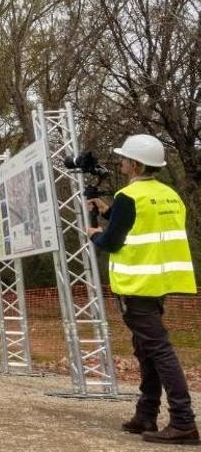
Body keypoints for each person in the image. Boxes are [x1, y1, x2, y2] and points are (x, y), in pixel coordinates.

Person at [87, 134, 198, 445]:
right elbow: (145, 226)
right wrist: (109, 212)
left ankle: (183, 421)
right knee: (146, 347)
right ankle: (146, 413)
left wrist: (95, 232)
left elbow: (112, 241)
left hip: (135, 284)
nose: (120, 163)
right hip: (158, 282)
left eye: (123, 159)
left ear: (134, 164)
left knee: (159, 350)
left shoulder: (129, 196)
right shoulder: (169, 195)